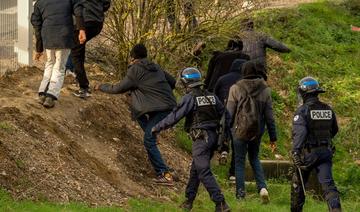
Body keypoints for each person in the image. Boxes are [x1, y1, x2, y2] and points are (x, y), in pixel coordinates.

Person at [95, 44, 177, 185]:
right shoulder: (155, 67)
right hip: (167, 106)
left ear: (132, 57)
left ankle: (164, 174)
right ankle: (153, 135)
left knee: (148, 140)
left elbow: (118, 88)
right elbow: (173, 82)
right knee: (137, 111)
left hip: (160, 109)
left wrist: (101, 86)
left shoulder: (135, 70)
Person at [152, 67, 231, 212]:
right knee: (196, 170)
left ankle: (221, 203)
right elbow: (227, 117)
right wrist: (224, 141)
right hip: (214, 138)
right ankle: (188, 201)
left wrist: (156, 128)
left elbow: (174, 117)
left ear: (185, 82)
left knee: (203, 170)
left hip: (201, 139)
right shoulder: (212, 96)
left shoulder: (190, 98)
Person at [226, 61, 277, 203]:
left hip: (239, 130)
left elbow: (229, 113)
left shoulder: (235, 88)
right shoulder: (265, 89)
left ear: (243, 72)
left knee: (239, 161)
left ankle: (241, 195)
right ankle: (262, 188)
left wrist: (225, 133)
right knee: (254, 158)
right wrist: (273, 136)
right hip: (257, 130)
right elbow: (269, 116)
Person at [291, 77, 341, 212]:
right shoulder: (328, 109)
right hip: (325, 152)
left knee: (298, 185)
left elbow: (300, 134)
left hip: (308, 153)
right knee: (328, 185)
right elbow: (334, 129)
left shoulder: (302, 111)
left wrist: (295, 151)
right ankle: (335, 209)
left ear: (303, 93)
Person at [31, 0, 86, 108]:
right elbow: (78, 11)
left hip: (48, 37)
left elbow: (37, 26)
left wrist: (39, 49)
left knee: (50, 63)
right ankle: (51, 96)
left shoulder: (39, 3)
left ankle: (42, 93)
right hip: (64, 36)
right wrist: (82, 30)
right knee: (59, 67)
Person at [214, 59, 247, 181]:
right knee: (237, 144)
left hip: (223, 109)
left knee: (223, 131)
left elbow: (215, 94)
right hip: (240, 114)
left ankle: (223, 149)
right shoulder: (244, 82)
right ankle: (233, 173)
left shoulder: (222, 78)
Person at [72, 0, 111, 99]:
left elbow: (76, 7)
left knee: (76, 53)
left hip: (84, 22)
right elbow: (106, 4)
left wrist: (80, 27)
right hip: (98, 22)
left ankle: (84, 87)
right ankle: (80, 79)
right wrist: (97, 8)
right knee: (79, 49)